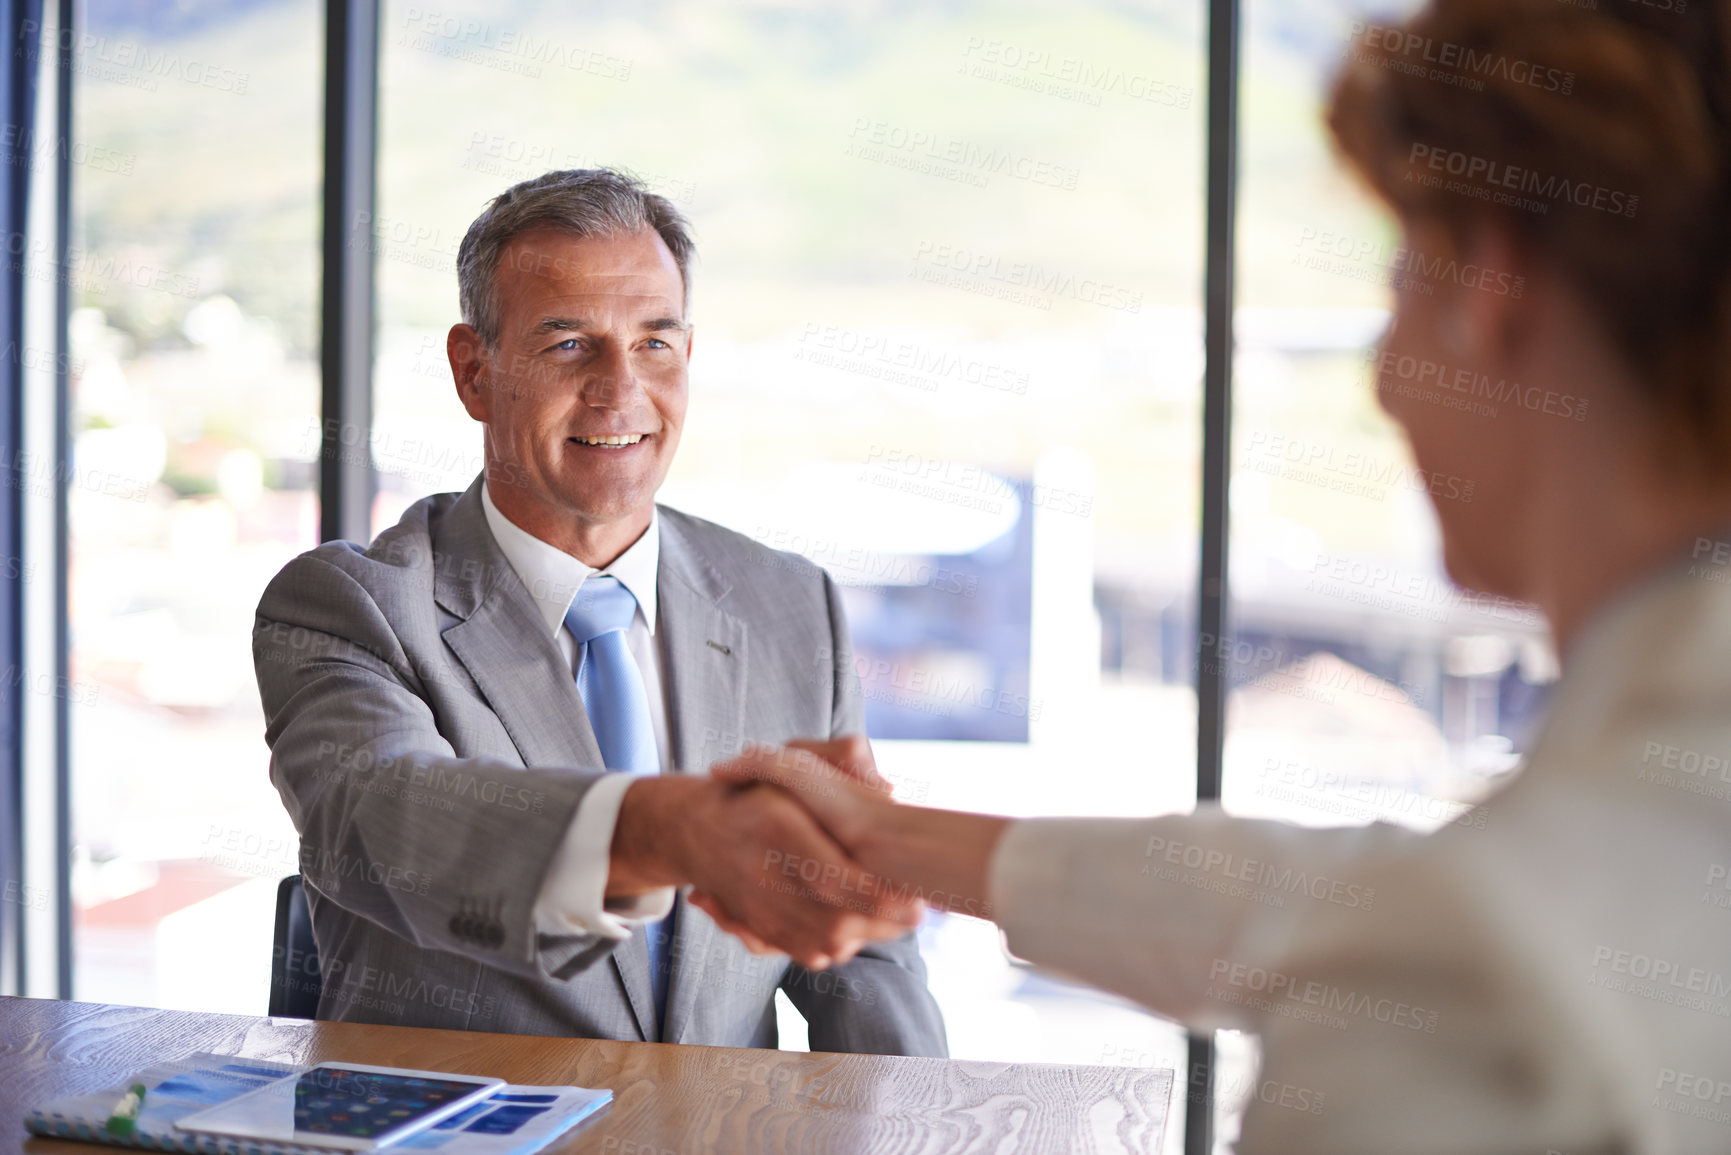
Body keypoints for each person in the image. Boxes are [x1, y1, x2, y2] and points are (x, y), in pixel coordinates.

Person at [712, 4, 1731, 1149]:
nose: (1387, 380)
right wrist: (903, 844)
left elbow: (1427, 928)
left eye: (1402, 276)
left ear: (1490, 284)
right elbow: (1334, 897)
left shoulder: (1474, 992)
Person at [252, 169, 946, 1056]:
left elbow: (862, 948)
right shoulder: (350, 605)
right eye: (570, 343)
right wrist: (669, 830)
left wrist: (923, 1118)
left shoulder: (789, 602)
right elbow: (387, 821)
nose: (619, 389)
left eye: (653, 343)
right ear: (474, 370)